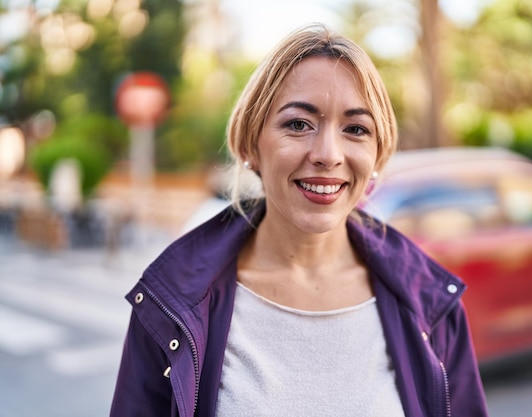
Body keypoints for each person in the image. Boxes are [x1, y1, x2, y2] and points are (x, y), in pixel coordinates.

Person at [110, 23, 489, 417]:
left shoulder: (431, 305)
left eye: (356, 129)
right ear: (250, 145)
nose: (328, 154)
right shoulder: (172, 303)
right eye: (298, 124)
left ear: (377, 155)